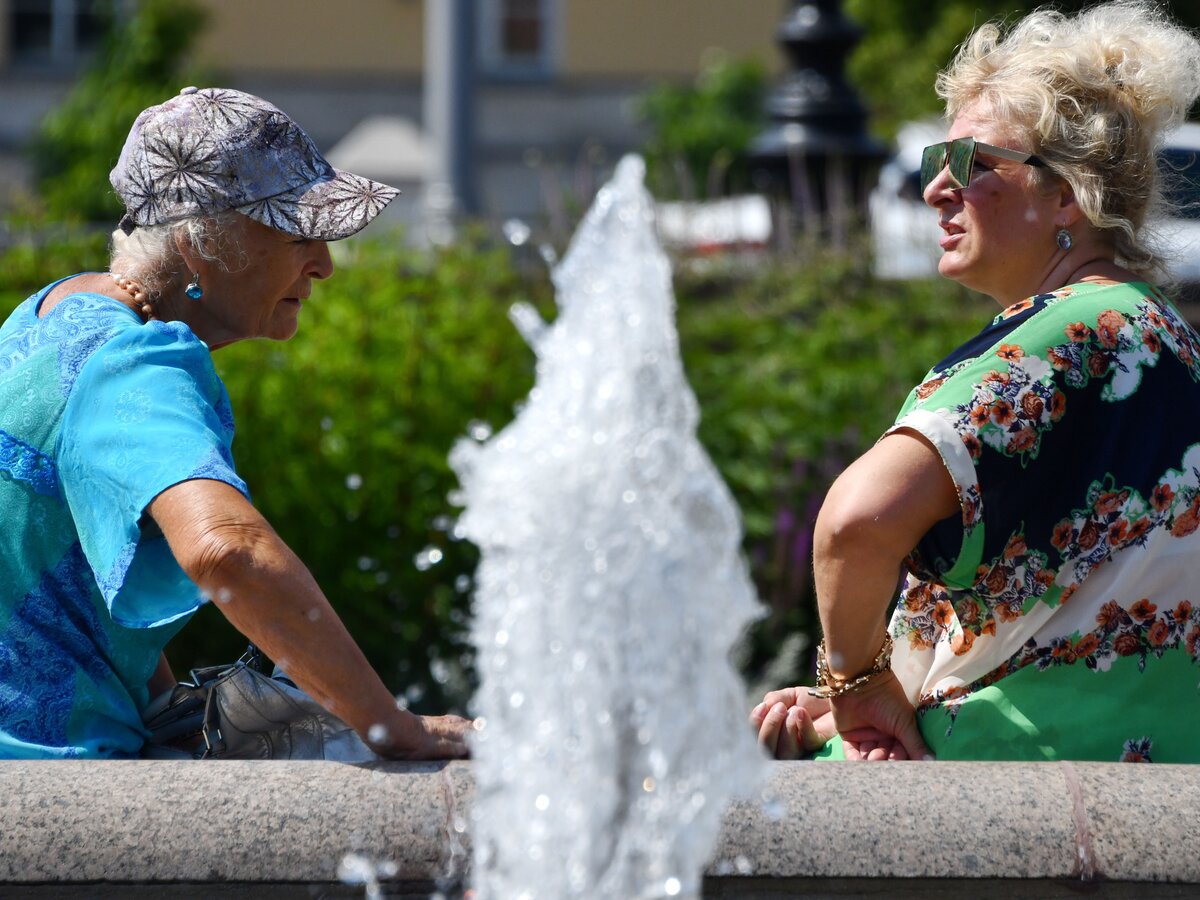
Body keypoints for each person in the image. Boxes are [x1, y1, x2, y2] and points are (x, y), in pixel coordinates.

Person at [752, 1, 1200, 762]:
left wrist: (853, 684)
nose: (936, 189)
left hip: (992, 806)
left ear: (1068, 193)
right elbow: (1048, 625)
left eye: (970, 164)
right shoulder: (1161, 340)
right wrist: (838, 703)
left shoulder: (1071, 338)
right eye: (935, 162)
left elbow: (853, 525)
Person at [0, 86, 470, 759]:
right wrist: (388, 724)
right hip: (55, 781)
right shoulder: (132, 363)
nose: (324, 263)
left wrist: (164, 703)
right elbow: (226, 550)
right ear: (197, 245)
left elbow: (63, 568)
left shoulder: (50, 313)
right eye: (295, 231)